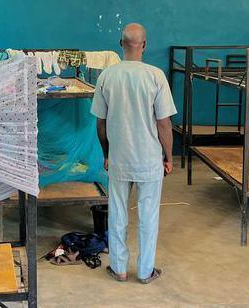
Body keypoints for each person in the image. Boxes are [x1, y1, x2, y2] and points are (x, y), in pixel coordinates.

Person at [91, 23, 176, 284]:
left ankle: (118, 269)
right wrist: (169, 157)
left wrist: (107, 152)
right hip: (149, 161)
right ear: (145, 45)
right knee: (148, 216)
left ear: (121, 44)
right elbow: (164, 123)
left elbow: (101, 123)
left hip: (119, 159)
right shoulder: (155, 76)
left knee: (117, 213)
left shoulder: (107, 76)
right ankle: (145, 271)